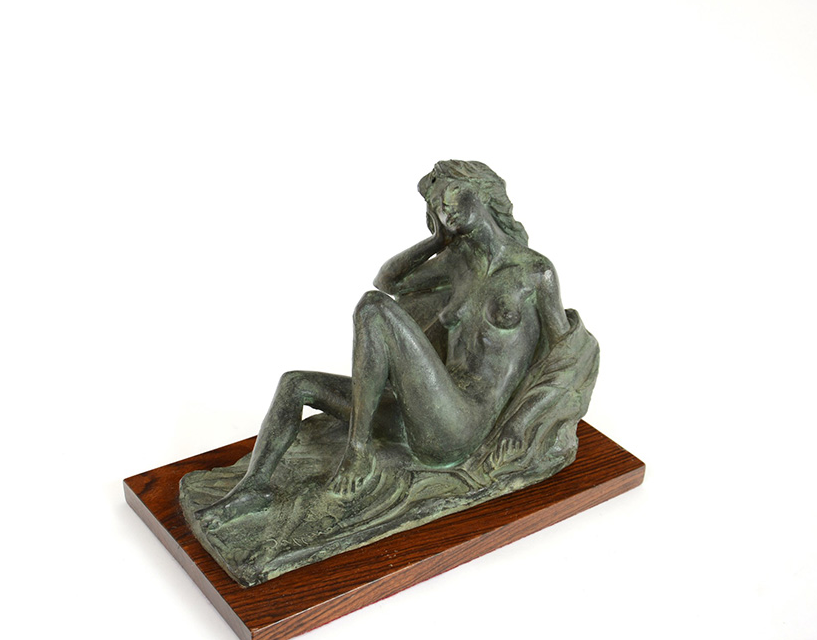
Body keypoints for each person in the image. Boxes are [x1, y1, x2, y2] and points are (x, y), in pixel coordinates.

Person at [205, 160, 572, 518]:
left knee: (373, 309)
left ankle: (358, 450)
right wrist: (436, 241)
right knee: (296, 384)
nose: (446, 208)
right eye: (437, 205)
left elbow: (565, 357)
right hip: (422, 409)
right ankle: (254, 488)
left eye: (454, 193)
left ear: (483, 192)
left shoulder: (535, 273)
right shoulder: (457, 263)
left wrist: (520, 422)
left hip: (463, 428)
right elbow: (389, 281)